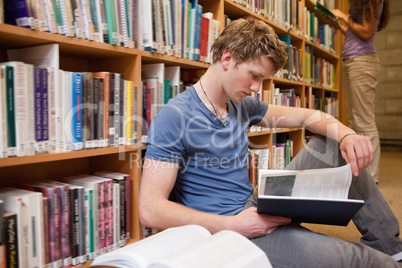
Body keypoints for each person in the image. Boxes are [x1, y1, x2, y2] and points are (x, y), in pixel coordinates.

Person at [139, 17, 402, 267]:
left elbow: (309, 116)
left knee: (332, 144)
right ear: (227, 58)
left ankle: (393, 248)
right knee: (364, 261)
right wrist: (233, 226)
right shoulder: (174, 116)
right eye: (254, 76)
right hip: (229, 231)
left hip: (255, 205)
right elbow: (150, 209)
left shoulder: (241, 104)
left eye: (262, 80)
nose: (257, 88)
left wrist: (347, 134)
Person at [331, 0, 389, 184]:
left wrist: (345, 17)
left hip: (362, 62)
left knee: (364, 121)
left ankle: (372, 178)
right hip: (352, 61)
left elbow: (366, 32)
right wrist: (339, 24)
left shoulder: (372, 1)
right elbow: (356, 33)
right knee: (355, 119)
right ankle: (361, 173)